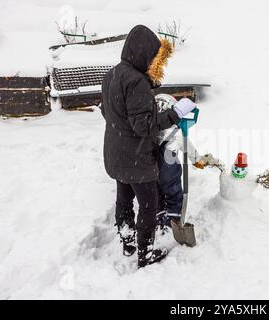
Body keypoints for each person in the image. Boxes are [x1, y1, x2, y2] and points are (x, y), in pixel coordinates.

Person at [100, 25, 196, 268]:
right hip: (136, 157)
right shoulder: (137, 81)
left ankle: (128, 240)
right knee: (148, 204)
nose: (155, 62)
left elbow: (108, 111)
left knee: (123, 197)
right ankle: (145, 253)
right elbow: (145, 126)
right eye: (153, 56)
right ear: (142, 53)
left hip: (115, 152)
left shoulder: (112, 74)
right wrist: (175, 113)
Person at [154, 94, 206, 228]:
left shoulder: (152, 130)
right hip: (169, 169)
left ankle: (159, 213)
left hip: (152, 168)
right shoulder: (176, 132)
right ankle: (174, 216)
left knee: (157, 191)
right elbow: (187, 146)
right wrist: (196, 160)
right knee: (173, 191)